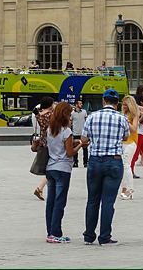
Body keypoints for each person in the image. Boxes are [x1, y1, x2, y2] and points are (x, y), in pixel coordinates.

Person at [81, 88, 129, 246]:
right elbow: (126, 137)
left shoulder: (92, 116)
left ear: (103, 101)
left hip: (95, 161)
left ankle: (89, 236)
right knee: (108, 202)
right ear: (117, 103)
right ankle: (104, 236)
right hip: (113, 161)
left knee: (92, 200)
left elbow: (83, 139)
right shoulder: (121, 118)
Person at [44, 102, 82, 243]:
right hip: (63, 168)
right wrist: (80, 145)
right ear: (65, 114)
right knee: (60, 202)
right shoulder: (66, 131)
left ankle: (50, 232)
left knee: (51, 202)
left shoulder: (50, 129)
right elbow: (70, 153)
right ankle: (56, 233)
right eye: (70, 113)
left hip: (50, 167)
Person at [33, 97, 54, 201]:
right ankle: (40, 188)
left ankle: (42, 188)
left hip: (42, 143)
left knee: (49, 167)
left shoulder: (39, 114)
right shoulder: (50, 115)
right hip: (50, 143)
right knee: (51, 167)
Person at [119, 96, 139, 200]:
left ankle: (130, 189)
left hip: (131, 142)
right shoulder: (122, 114)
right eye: (123, 104)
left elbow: (134, 129)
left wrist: (126, 121)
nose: (124, 106)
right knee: (122, 166)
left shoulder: (133, 115)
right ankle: (124, 188)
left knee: (126, 164)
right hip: (122, 141)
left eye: (126, 104)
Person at [71, 100, 88, 168]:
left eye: (82, 103)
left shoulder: (84, 112)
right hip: (75, 133)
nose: (81, 104)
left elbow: (86, 121)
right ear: (76, 105)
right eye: (80, 103)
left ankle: (85, 162)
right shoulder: (72, 113)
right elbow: (71, 122)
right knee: (75, 149)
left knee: (85, 148)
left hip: (83, 133)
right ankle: (75, 162)